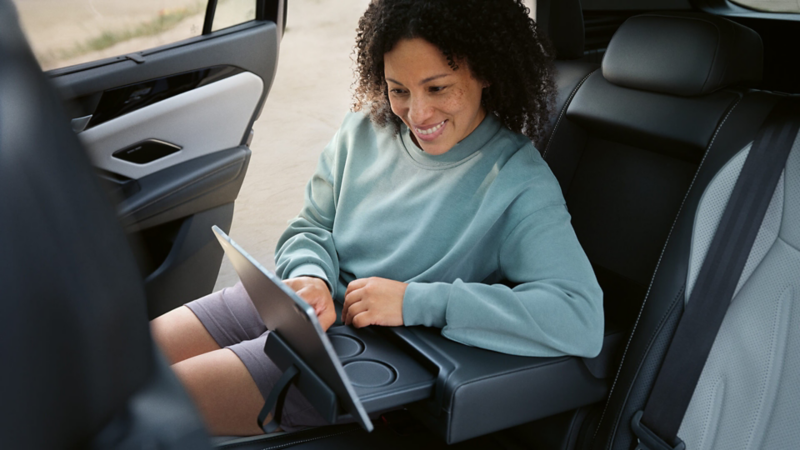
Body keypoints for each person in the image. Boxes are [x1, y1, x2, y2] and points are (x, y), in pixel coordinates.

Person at [151, 0, 604, 436]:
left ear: (484, 70)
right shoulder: (365, 128)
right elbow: (312, 226)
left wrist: (416, 301)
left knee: (136, 403)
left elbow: (579, 316)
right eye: (398, 89)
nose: (417, 114)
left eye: (437, 87)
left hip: (356, 356)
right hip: (295, 305)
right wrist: (310, 277)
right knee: (107, 364)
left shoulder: (519, 183)